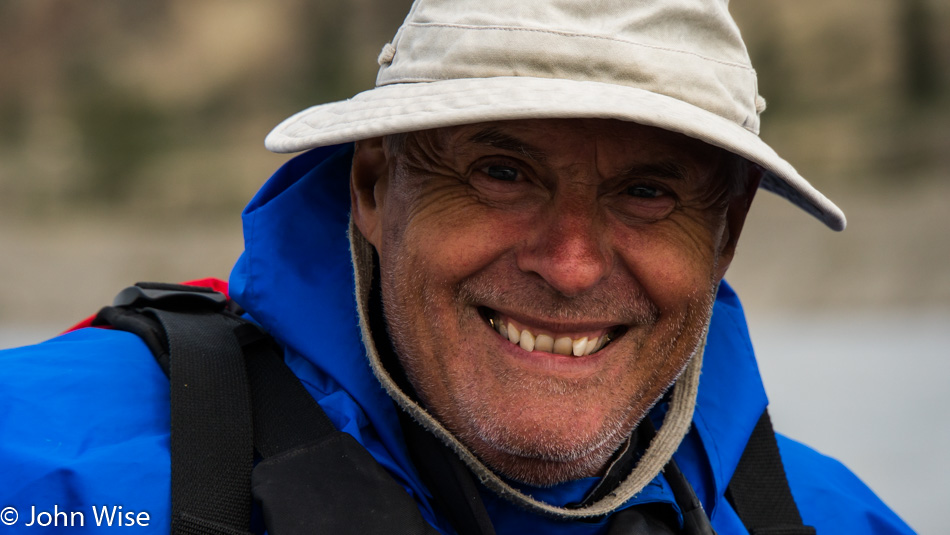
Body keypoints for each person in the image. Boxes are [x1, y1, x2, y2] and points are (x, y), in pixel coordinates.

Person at [0, 0, 915, 533]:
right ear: (370, 183)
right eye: (501, 172)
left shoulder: (835, 519)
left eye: (647, 192)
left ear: (726, 234)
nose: (569, 264)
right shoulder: (38, 467)